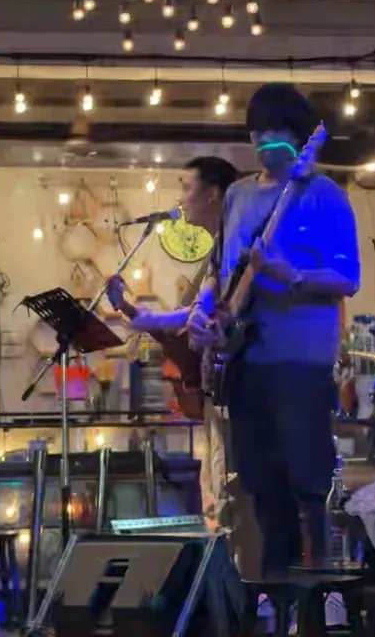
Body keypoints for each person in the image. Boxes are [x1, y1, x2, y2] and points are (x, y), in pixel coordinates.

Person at [189, 83, 360, 577]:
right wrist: (203, 311)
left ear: (300, 136)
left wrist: (292, 275)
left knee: (307, 483)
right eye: (257, 131)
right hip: (246, 363)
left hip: (301, 364)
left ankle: (316, 594)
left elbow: (348, 277)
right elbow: (221, 272)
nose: (265, 140)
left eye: (276, 130)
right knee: (258, 484)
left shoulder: (325, 197)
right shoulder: (238, 195)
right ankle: (274, 590)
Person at [105, 155, 239, 528]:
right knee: (216, 495)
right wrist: (128, 308)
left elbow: (211, 316)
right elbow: (185, 318)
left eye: (187, 187)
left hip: (238, 395)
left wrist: (142, 316)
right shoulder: (219, 250)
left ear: (213, 194)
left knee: (229, 496)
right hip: (218, 395)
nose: (180, 198)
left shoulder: (236, 245)